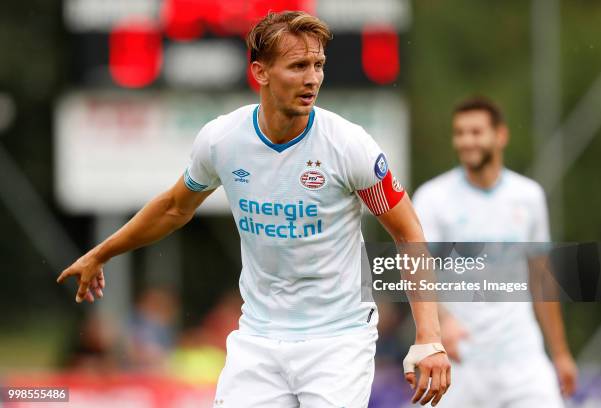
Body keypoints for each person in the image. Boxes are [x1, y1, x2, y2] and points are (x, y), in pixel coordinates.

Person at [57, 11, 451, 407]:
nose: (312, 78)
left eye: (318, 65)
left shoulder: (350, 146)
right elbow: (174, 207)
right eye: (298, 66)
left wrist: (428, 337)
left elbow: (407, 232)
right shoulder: (222, 140)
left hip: (339, 339)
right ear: (260, 72)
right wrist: (101, 253)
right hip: (258, 339)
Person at [412, 97, 578, 407]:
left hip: (522, 358)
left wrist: (561, 353)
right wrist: (442, 322)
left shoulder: (529, 196)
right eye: (459, 133)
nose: (465, 141)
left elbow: (542, 279)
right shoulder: (433, 198)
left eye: (475, 132)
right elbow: (419, 274)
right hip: (459, 360)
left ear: (500, 136)